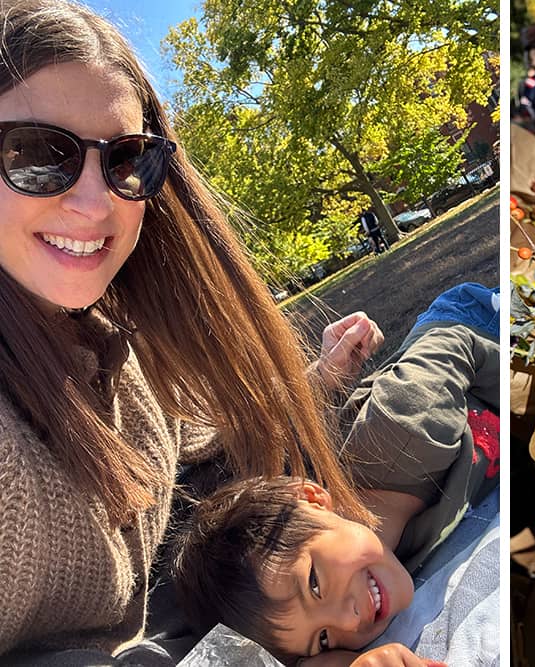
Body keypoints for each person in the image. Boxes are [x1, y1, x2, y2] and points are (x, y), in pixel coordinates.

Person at [0, 0, 383, 661]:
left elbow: (214, 444)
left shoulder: (120, 348)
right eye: (38, 154)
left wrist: (321, 380)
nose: (97, 203)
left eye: (128, 160)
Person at [173, 283, 500, 666]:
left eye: (314, 583)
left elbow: (457, 340)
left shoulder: (405, 425)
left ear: (311, 499)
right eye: (323, 639)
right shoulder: (367, 565)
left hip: (474, 325)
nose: (349, 620)